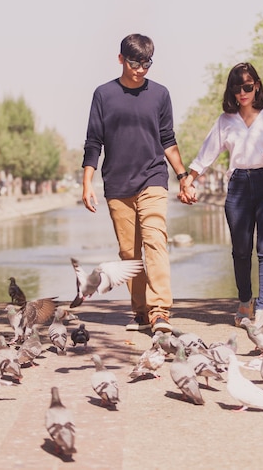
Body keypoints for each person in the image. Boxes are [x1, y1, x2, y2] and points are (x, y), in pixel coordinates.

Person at [82, 33, 190, 334]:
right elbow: (94, 142)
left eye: (147, 64)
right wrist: (87, 182)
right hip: (117, 185)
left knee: (155, 241)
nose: (141, 70)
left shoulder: (160, 94)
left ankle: (159, 311)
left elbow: (168, 139)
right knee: (129, 253)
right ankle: (141, 311)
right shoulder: (104, 95)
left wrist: (182, 176)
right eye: (134, 63)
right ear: (120, 59)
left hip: (153, 178)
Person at [179, 62, 263, 326]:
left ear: (257, 86)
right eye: (237, 87)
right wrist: (188, 180)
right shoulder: (225, 120)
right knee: (241, 250)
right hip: (238, 185)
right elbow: (206, 154)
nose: (243, 92)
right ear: (231, 90)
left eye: (248, 87)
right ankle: (245, 301)